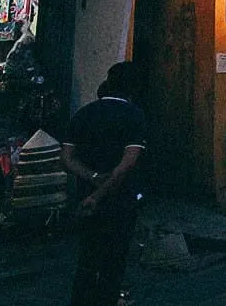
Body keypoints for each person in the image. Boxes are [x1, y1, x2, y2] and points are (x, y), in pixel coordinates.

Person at [61, 62, 148, 306]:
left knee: (87, 259)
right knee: (114, 262)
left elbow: (66, 158)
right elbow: (127, 164)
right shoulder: (134, 116)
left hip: (85, 196)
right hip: (120, 201)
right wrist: (100, 193)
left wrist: (91, 179)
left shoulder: (83, 114)